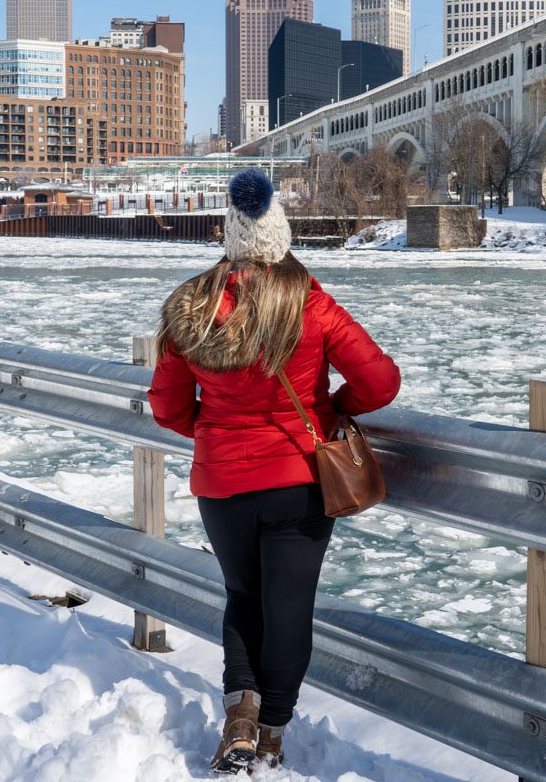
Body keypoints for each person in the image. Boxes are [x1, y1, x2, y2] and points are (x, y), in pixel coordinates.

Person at [148, 168, 401, 774]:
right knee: (287, 608)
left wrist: (214, 436)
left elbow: (167, 407)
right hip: (297, 479)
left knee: (242, 597)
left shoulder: (193, 305)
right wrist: (334, 410)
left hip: (222, 482)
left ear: (230, 234)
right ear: (279, 233)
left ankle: (239, 713)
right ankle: (271, 736)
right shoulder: (309, 299)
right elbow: (381, 380)